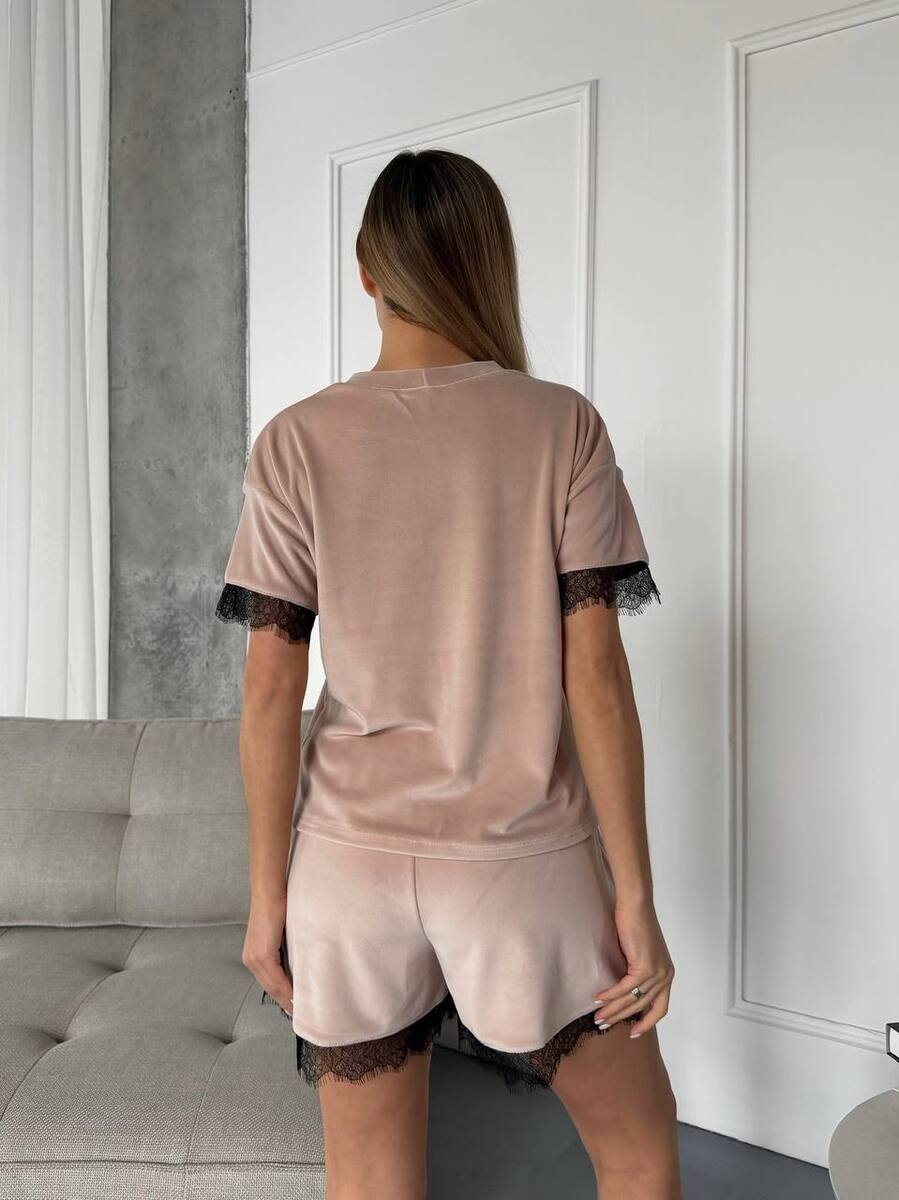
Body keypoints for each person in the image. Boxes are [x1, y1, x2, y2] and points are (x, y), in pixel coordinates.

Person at [215, 148, 681, 1200]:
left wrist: (266, 897)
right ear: (486, 263)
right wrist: (636, 900)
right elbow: (596, 678)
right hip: (517, 859)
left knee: (369, 1179)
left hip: (346, 866)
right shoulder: (560, 424)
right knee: (637, 1153)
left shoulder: (294, 441)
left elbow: (268, 691)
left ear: (366, 272)